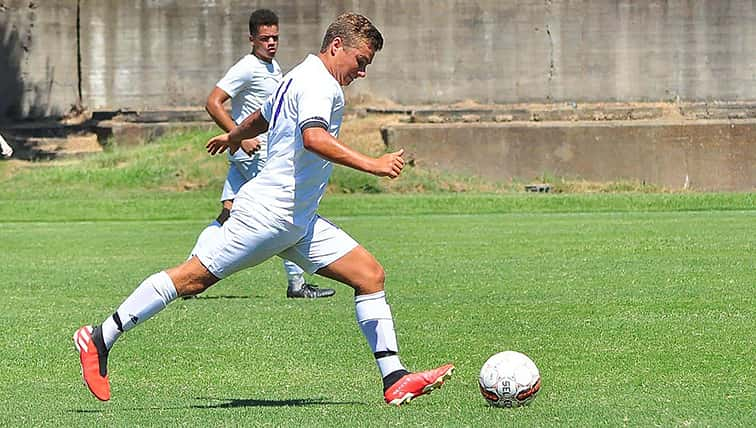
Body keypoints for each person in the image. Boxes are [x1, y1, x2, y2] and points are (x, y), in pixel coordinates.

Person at [73, 12, 453, 406]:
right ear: (337, 46)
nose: (362, 73)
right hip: (268, 216)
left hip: (298, 221)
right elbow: (314, 138)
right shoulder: (321, 86)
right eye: (361, 62)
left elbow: (261, 117)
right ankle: (98, 338)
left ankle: (395, 378)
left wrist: (234, 135)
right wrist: (373, 163)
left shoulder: (296, 74)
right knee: (192, 280)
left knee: (370, 275)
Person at [192, 8, 335, 299]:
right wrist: (241, 138)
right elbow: (213, 101)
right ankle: (296, 283)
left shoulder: (273, 67)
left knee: (227, 214)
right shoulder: (247, 66)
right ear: (251, 39)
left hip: (253, 153)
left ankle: (189, 272)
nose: (271, 43)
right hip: (255, 153)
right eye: (264, 38)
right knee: (282, 212)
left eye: (275, 38)